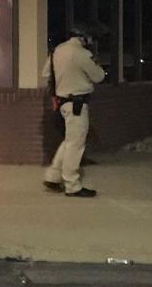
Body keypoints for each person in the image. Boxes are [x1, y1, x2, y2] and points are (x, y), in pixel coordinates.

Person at [42, 25, 106, 197]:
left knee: (70, 140)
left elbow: (46, 73)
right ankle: (72, 184)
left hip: (62, 102)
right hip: (77, 103)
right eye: (91, 38)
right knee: (76, 144)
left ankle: (53, 176)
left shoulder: (57, 51)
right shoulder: (82, 54)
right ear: (83, 37)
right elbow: (99, 76)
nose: (92, 41)